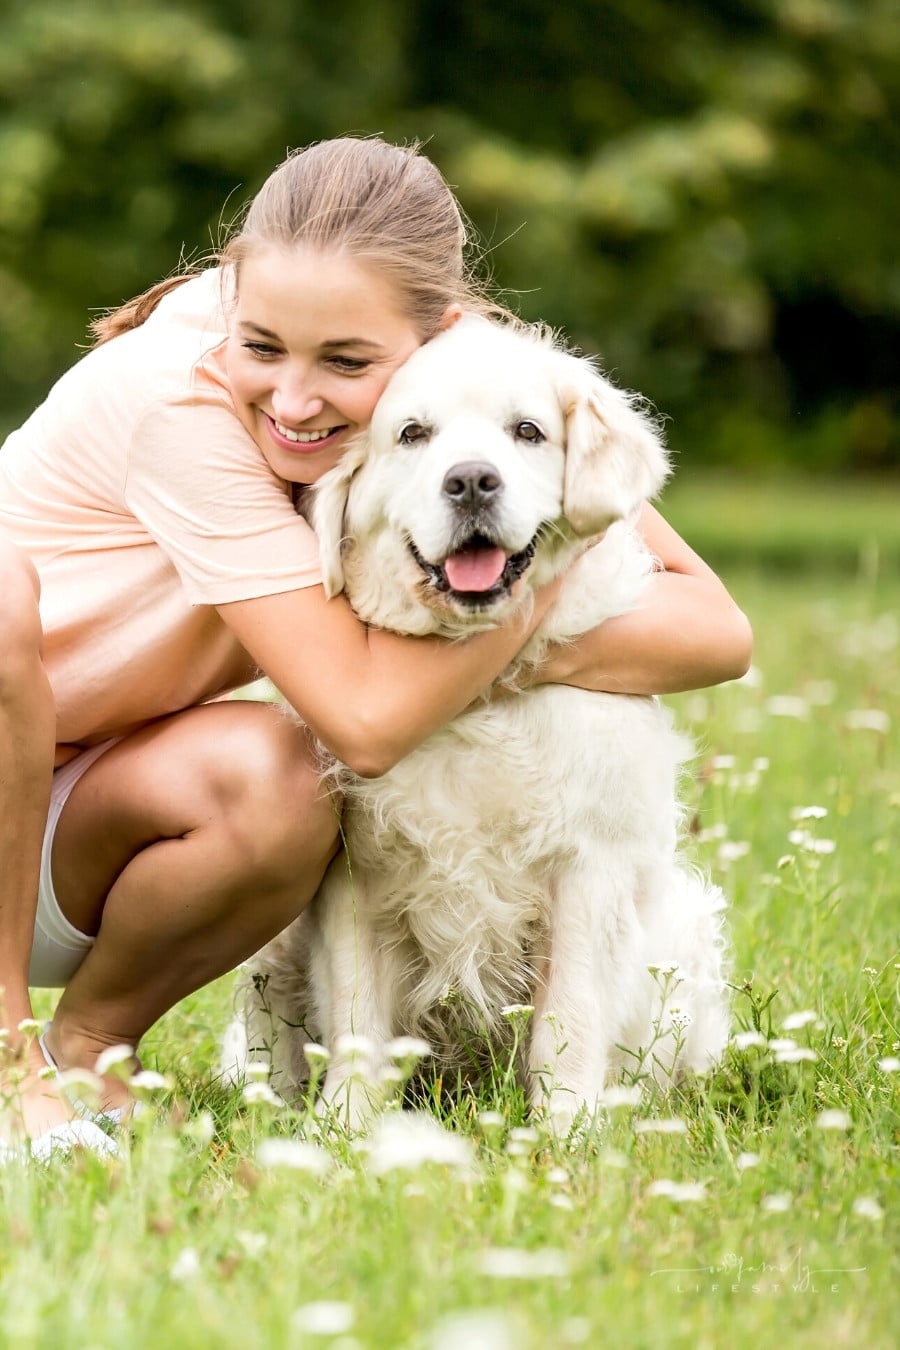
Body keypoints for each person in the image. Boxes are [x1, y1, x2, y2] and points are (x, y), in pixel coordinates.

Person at [0, 136, 752, 1150]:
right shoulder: (176, 405)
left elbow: (713, 627)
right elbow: (362, 722)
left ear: (437, 334)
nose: (298, 399)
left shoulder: (463, 395)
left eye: (348, 363)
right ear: (232, 293)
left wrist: (532, 542)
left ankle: (87, 1050)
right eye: (261, 346)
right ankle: (9, 1072)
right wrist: (537, 564)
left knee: (276, 776)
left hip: (66, 820)